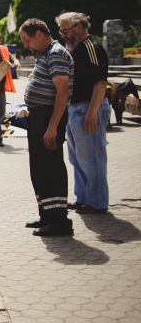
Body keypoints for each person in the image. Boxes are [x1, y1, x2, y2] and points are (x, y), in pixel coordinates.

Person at [19, 19, 74, 237]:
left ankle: (59, 222)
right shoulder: (45, 54)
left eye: (27, 40)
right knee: (39, 168)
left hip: (48, 116)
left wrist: (51, 128)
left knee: (51, 169)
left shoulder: (56, 53)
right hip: (39, 115)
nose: (26, 45)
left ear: (39, 34)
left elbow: (62, 92)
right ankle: (46, 215)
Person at [56, 12, 110, 214]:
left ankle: (97, 202)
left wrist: (92, 112)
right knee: (77, 158)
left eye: (65, 30)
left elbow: (101, 82)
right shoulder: (75, 49)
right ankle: (83, 198)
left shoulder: (91, 47)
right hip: (75, 108)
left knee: (92, 158)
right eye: (61, 31)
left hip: (88, 107)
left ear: (78, 27)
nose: (63, 35)